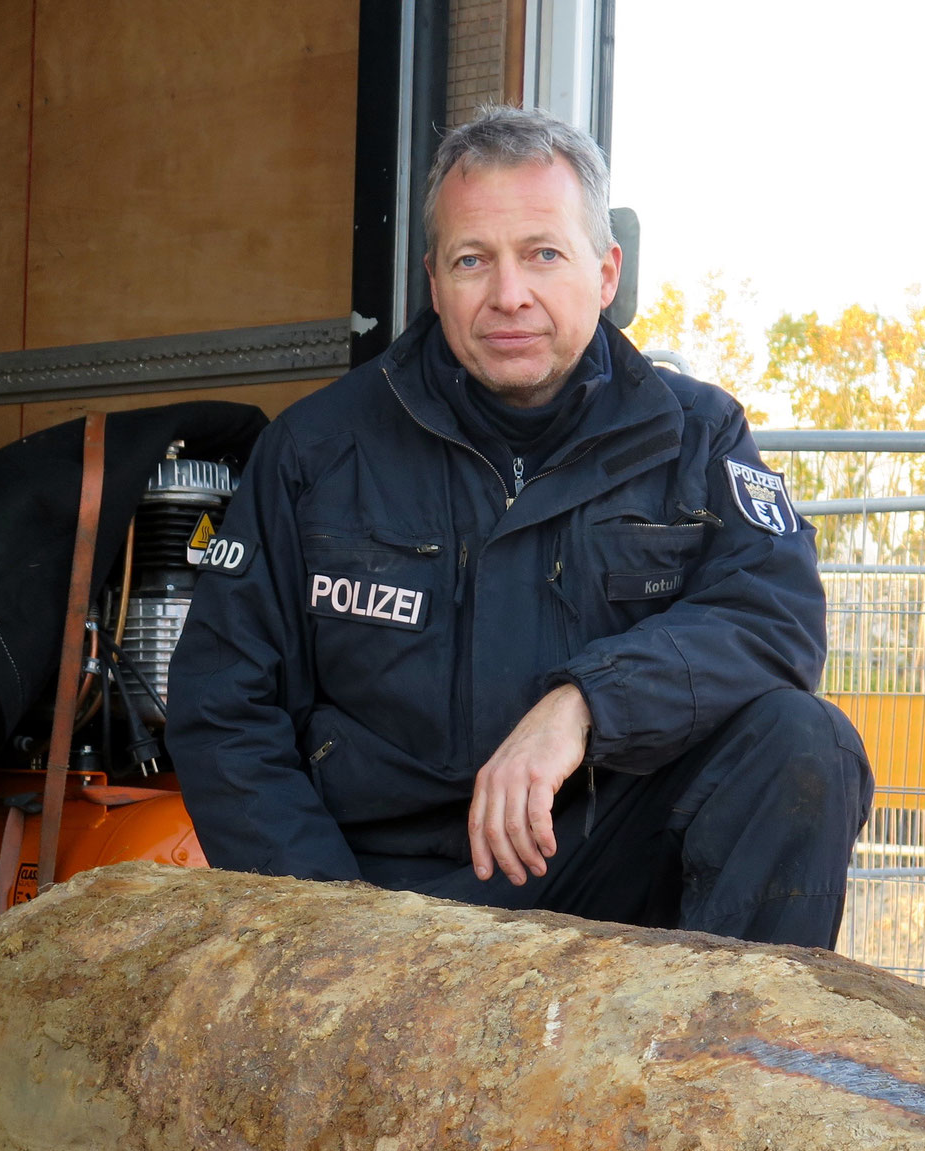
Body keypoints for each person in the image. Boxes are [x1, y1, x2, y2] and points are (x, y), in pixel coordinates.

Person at [166, 105, 872, 946]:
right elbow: (223, 704)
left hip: (608, 860)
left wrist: (584, 703)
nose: (509, 296)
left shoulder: (696, 435)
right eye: (474, 261)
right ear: (434, 281)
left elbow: (774, 618)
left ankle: (733, 1057)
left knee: (804, 741)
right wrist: (332, 927)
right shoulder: (315, 450)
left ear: (605, 272)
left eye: (543, 254)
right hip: (388, 896)